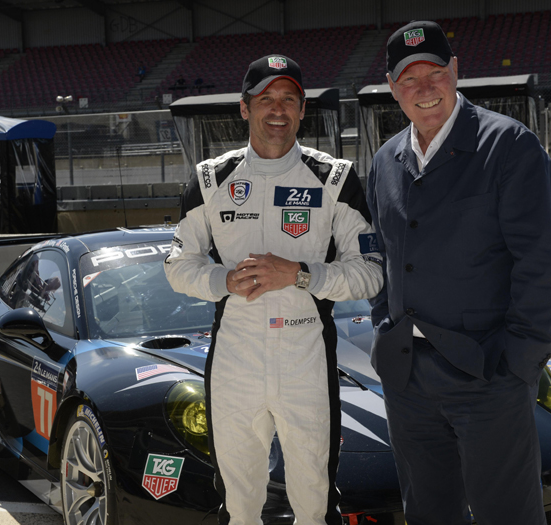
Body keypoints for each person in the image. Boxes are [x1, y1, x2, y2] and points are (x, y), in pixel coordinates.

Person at [366, 21, 551, 525]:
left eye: (434, 72)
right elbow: (383, 254)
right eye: (408, 79)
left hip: (486, 372)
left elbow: (544, 262)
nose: (424, 89)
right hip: (408, 377)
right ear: (393, 88)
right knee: (429, 513)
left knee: (508, 514)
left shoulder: (508, 146)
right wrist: (384, 327)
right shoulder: (385, 160)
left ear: (455, 72)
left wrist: (518, 363)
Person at [165, 54, 384, 525]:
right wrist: (221, 280)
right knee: (239, 505)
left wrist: (303, 275)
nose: (278, 109)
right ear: (244, 108)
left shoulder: (335, 179)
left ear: (304, 109)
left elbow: (371, 272)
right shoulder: (209, 180)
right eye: (266, 98)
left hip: (306, 355)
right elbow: (177, 266)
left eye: (289, 98)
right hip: (234, 359)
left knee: (314, 502)